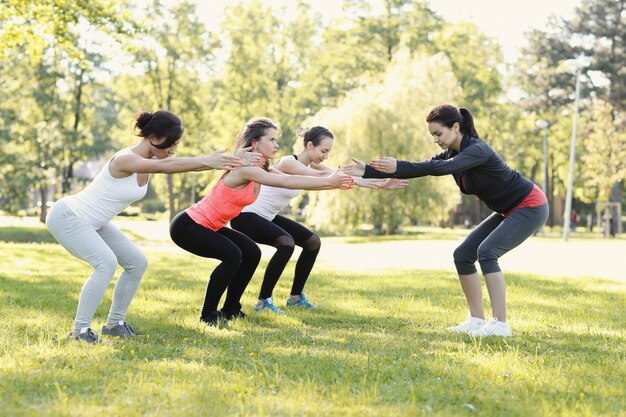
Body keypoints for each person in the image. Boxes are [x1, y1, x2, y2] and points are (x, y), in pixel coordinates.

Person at [46, 110, 256, 344]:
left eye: (176, 144)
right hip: (69, 216)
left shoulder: (152, 160)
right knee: (105, 264)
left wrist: (230, 160)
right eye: (171, 144)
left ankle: (115, 324)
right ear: (154, 137)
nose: (173, 150)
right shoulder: (126, 159)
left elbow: (178, 164)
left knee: (136, 263)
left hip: (95, 222)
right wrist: (208, 160)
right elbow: (169, 166)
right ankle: (80, 331)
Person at [345, 104, 549, 337]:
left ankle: (500, 324)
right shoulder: (451, 153)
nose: (435, 139)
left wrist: (398, 165)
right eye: (432, 135)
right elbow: (422, 167)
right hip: (507, 209)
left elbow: (440, 169)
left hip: (530, 205)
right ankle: (476, 320)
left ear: (455, 127)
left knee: (487, 252)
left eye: (438, 134)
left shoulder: (477, 149)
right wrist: (369, 171)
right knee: (463, 255)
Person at [168, 117, 354, 326]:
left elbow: (294, 181)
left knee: (251, 252)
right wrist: (330, 181)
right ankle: (208, 314)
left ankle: (230, 309)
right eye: (271, 140)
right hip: (188, 225)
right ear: (255, 143)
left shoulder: (261, 168)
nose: (276, 145)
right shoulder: (245, 168)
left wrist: (335, 182)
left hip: (210, 225)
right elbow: (287, 180)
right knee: (232, 254)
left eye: (276, 140)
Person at [230, 126, 408, 314]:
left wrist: (381, 181)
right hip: (247, 216)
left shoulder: (311, 165)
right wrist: (360, 181)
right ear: (309, 146)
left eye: (328, 152)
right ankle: (263, 301)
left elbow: (336, 173)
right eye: (324, 151)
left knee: (312, 242)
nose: (326, 156)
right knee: (286, 243)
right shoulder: (287, 163)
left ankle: (296, 297)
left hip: (267, 216)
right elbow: (324, 177)